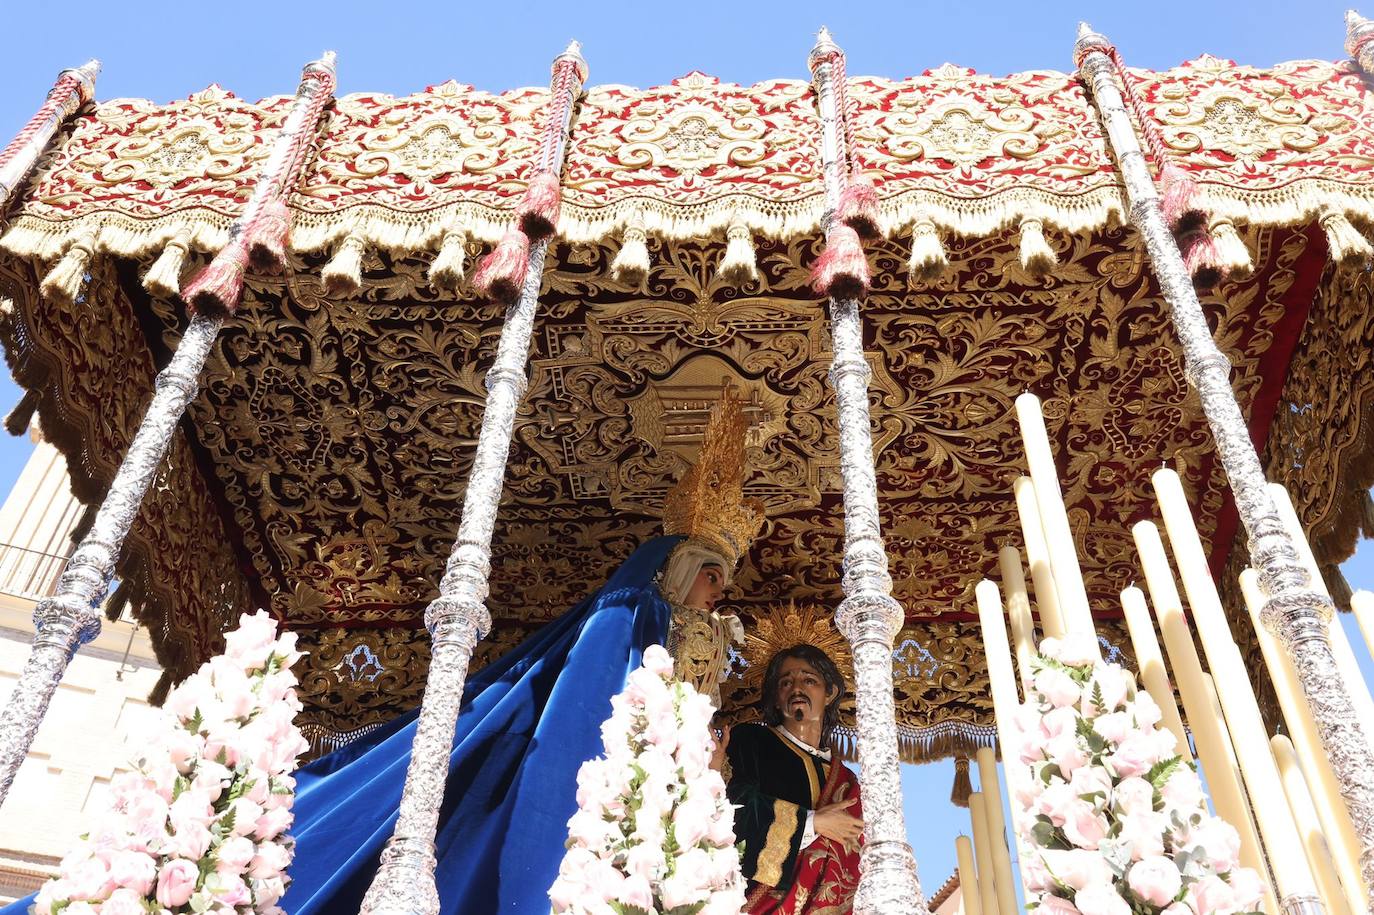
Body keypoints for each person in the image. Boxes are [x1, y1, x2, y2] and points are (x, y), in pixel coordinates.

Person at [271, 383, 764, 915]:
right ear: (683, 569)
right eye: (711, 577)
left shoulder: (702, 629)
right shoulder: (636, 612)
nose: (718, 593)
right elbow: (596, 684)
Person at [725, 643, 864, 914]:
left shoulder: (847, 781)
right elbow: (733, 808)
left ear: (830, 692)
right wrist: (812, 823)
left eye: (809, 680)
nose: (797, 688)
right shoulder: (752, 741)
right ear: (776, 698)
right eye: (786, 682)